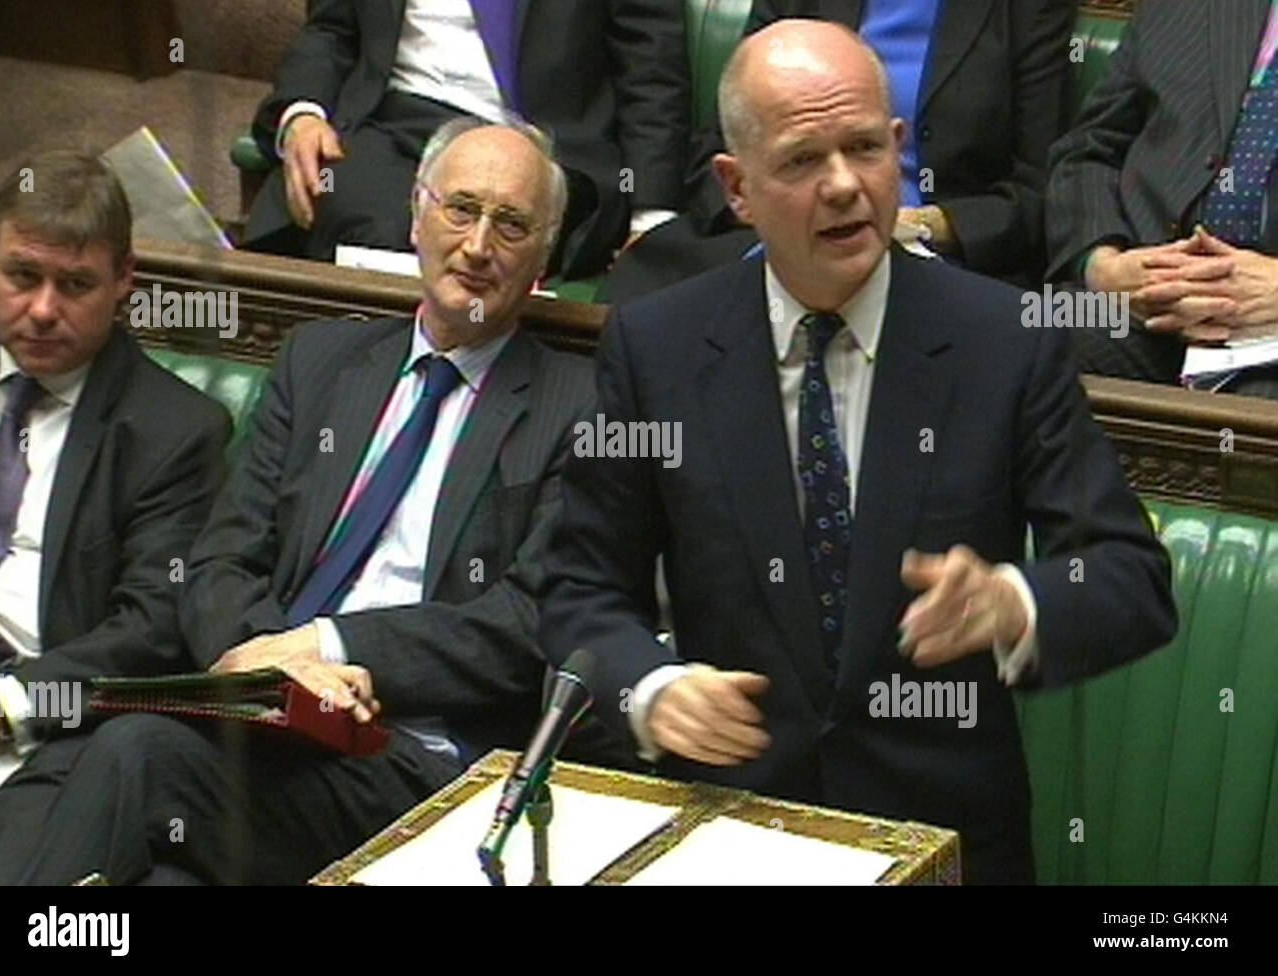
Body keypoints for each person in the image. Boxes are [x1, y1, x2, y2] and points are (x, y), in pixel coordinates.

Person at [540, 21, 1177, 884]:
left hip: (940, 843)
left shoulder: (1002, 341)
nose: (845, 186)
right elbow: (582, 589)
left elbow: (1129, 576)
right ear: (737, 186)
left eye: (866, 149)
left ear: (899, 148)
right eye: (803, 161)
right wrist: (650, 690)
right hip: (731, 829)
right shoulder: (657, 348)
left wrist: (1016, 601)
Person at [18, 119, 596, 885]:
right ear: (416, 215)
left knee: (131, 749)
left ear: (544, 257)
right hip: (272, 727)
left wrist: (329, 649)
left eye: (511, 224)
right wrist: (274, 669)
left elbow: (534, 621)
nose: (479, 246)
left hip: (421, 758)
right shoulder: (321, 364)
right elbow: (223, 557)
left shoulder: (578, 406)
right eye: (460, 209)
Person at [0, 151, 230, 883]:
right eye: (23, 276)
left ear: (124, 281)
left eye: (76, 284)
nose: (45, 309)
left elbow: (151, 633)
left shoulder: (174, 431)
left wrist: (2, 704)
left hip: (43, 732)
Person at [601, 0, 1076, 301]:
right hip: (780, 236)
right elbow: (730, 138)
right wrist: (784, 213)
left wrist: (919, 225)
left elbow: (1038, 195)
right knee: (644, 290)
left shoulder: (1028, 9)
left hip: (939, 256)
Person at [243, 0, 691, 280]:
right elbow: (331, 29)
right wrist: (303, 112)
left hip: (539, 140)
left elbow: (650, 67)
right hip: (396, 123)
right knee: (368, 220)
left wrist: (649, 217)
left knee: (485, 233)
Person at [1047, 0, 1278, 398]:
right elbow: (1090, 151)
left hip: (1268, 335)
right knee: (1020, 334)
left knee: (1257, 415)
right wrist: (1103, 265)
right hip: (1144, 303)